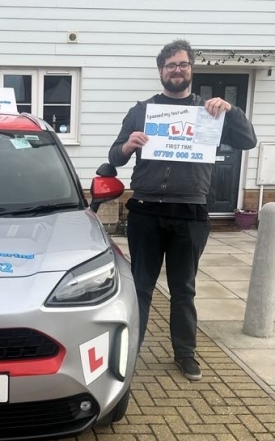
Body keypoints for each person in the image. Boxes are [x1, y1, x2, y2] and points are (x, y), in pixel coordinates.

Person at [108, 39, 257, 381]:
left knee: (183, 289)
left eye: (183, 64)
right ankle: (131, 352)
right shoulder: (142, 111)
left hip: (190, 213)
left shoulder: (211, 111)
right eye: (170, 65)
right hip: (145, 210)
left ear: (191, 69)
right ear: (161, 71)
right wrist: (128, 145)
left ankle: (185, 354)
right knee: (141, 287)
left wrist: (232, 110)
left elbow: (247, 142)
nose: (177, 70)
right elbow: (115, 156)